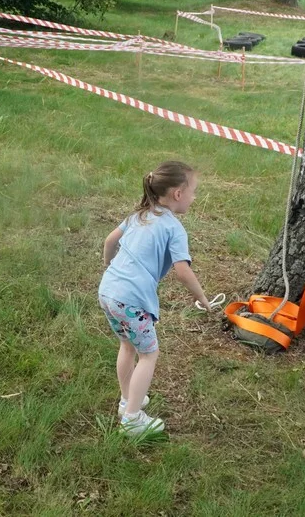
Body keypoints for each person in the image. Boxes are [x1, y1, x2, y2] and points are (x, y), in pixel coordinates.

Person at [99, 160, 213, 437]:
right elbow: (183, 271)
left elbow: (108, 242)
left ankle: (128, 399)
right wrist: (203, 299)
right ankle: (132, 419)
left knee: (127, 346)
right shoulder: (173, 228)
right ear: (177, 194)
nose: (194, 197)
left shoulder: (139, 216)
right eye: (193, 191)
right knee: (149, 355)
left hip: (108, 291)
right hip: (132, 301)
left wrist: (108, 265)